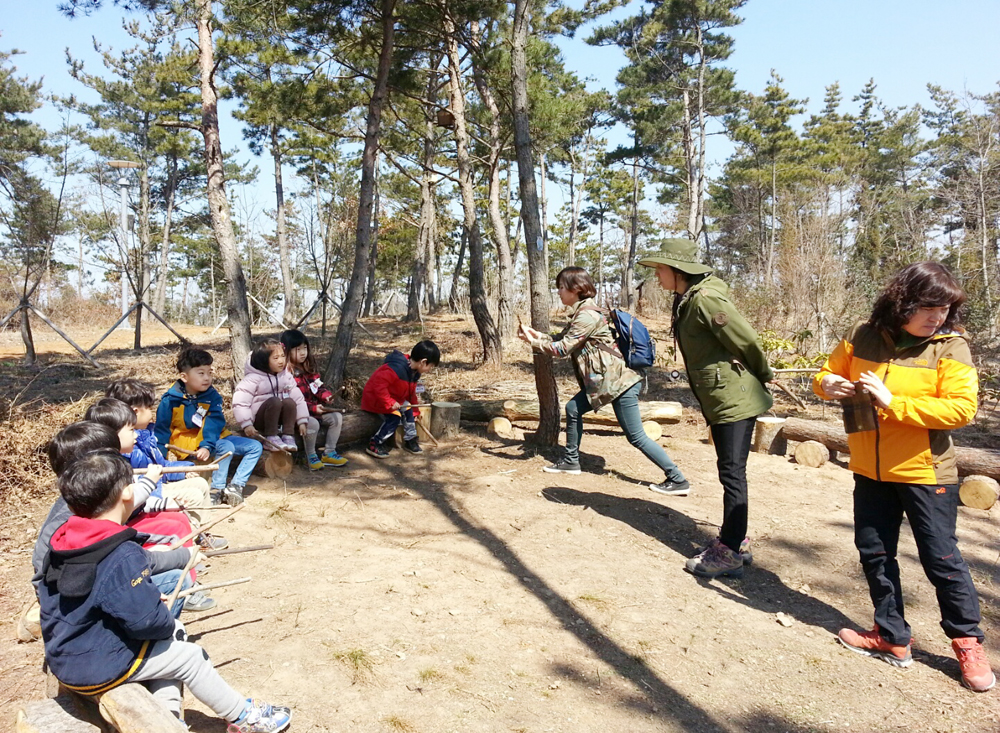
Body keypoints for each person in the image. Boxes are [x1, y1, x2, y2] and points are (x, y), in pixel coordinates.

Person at [813, 261, 994, 692]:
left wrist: (893, 402)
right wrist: (829, 385)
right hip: (870, 468)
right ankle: (891, 636)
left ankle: (967, 642)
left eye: (946, 308)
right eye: (929, 307)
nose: (938, 317)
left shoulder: (951, 348)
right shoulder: (863, 334)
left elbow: (960, 411)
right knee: (875, 553)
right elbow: (826, 373)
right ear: (902, 303)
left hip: (925, 470)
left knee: (942, 559)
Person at [37, 449, 293, 732]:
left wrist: (176, 566)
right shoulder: (120, 554)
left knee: (175, 635)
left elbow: (105, 589)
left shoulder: (68, 538)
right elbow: (148, 622)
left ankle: (169, 719)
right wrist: (154, 605)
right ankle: (246, 718)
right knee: (189, 657)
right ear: (125, 494)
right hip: (96, 666)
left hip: (67, 650)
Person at [638, 239, 774, 579]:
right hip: (723, 397)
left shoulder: (706, 299)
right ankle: (736, 541)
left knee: (731, 473)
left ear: (676, 270)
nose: (657, 277)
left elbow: (747, 341)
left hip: (735, 399)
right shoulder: (687, 299)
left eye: (659, 270)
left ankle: (729, 551)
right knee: (731, 471)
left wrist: (763, 374)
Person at [518, 266, 689, 495]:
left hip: (619, 382)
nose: (558, 292)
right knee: (573, 409)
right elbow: (562, 339)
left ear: (576, 289)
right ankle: (571, 461)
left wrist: (534, 343)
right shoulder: (582, 312)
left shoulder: (587, 315)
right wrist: (536, 336)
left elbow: (562, 349)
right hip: (604, 382)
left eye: (561, 287)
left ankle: (677, 479)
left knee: (636, 436)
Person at [32, 421, 199, 618]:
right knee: (174, 579)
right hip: (75, 602)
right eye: (112, 457)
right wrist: (184, 556)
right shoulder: (74, 518)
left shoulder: (90, 504)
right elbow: (128, 561)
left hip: (88, 588)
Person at [84, 398, 217, 613]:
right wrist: (158, 493)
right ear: (112, 433)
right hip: (121, 530)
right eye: (130, 429)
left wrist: (165, 500)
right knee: (174, 528)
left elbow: (136, 500)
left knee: (178, 519)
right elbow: (132, 499)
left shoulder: (120, 456)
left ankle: (189, 572)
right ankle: (186, 585)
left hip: (130, 517)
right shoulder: (109, 467)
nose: (135, 435)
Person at [155, 348, 263, 508]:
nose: (207, 378)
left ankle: (236, 486)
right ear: (184, 377)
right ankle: (216, 490)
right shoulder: (170, 400)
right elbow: (162, 430)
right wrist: (160, 459)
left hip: (212, 438)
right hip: (187, 441)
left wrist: (207, 444)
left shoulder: (212, 396)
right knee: (226, 447)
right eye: (201, 373)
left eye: (209, 373)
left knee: (255, 447)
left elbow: (214, 423)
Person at [106, 378, 215, 527]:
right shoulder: (126, 446)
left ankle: (203, 530)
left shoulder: (146, 435)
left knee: (200, 483)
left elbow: (161, 465)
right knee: (193, 495)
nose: (152, 412)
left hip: (157, 487)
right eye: (149, 407)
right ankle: (191, 538)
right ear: (135, 412)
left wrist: (185, 469)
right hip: (149, 495)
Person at [279, 329, 348, 471]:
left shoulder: (308, 368)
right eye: (298, 349)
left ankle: (329, 452)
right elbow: (292, 400)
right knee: (314, 423)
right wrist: (312, 408)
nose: (303, 352)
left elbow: (318, 386)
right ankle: (310, 455)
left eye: (305, 348)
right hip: (295, 415)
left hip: (312, 410)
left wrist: (326, 396)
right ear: (287, 351)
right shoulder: (285, 374)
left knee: (337, 417)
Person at [361, 340, 439, 458]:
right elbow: (378, 386)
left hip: (394, 398)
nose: (430, 369)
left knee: (408, 409)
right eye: (431, 366)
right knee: (395, 416)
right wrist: (390, 402)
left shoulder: (414, 372)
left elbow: (410, 393)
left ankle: (410, 439)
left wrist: (415, 412)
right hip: (376, 399)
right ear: (423, 362)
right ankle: (375, 442)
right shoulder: (395, 369)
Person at [232, 338, 309, 457]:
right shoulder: (252, 379)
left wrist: (302, 421)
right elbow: (240, 403)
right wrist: (247, 424)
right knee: (275, 401)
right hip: (261, 420)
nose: (281, 361)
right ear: (263, 361)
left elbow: (298, 399)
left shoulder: (286, 377)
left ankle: (288, 435)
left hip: (279, 419)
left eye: (283, 356)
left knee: (289, 401)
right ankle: (271, 437)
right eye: (275, 358)